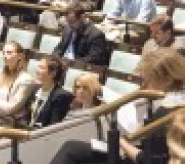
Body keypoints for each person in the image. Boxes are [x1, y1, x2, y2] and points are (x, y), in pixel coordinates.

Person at [50, 51, 185, 164]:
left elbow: (148, 160)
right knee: (74, 148)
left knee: (72, 150)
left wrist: (121, 142)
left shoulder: (168, 111)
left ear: (167, 80)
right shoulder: (171, 104)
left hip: (135, 157)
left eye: (148, 80)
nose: (143, 86)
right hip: (137, 150)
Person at [29, 56, 73, 128]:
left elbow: (53, 126)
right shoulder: (35, 89)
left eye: (41, 68)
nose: (37, 70)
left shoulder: (61, 96)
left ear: (53, 73)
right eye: (38, 67)